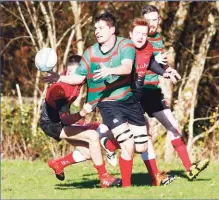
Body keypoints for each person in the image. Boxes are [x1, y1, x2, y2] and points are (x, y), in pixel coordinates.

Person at [44, 13, 149, 188]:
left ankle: (109, 143)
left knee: (141, 147)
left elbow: (127, 67)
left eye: (101, 28)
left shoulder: (125, 45)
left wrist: (109, 70)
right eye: (95, 28)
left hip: (129, 101)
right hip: (107, 103)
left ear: (112, 29)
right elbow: (78, 77)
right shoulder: (90, 52)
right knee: (127, 144)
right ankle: (127, 188)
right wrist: (59, 78)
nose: (97, 31)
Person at [100, 18, 178, 186]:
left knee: (142, 142)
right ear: (130, 34)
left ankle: (110, 144)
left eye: (144, 33)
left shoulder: (148, 47)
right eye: (138, 33)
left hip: (136, 100)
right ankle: (148, 179)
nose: (141, 37)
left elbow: (149, 62)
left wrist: (164, 73)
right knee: (130, 140)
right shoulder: (123, 49)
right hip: (120, 99)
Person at [140, 5, 209, 180]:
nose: (152, 24)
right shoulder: (135, 38)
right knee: (140, 134)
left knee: (173, 127)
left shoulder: (158, 39)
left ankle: (189, 169)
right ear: (142, 20)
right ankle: (109, 143)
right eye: (149, 20)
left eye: (155, 20)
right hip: (136, 92)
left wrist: (168, 70)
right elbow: (133, 63)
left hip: (153, 92)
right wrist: (153, 60)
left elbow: (160, 64)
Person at [40, 55, 121, 188]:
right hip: (51, 125)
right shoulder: (59, 89)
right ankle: (104, 178)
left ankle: (59, 164)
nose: (78, 77)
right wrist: (83, 112)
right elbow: (65, 119)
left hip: (61, 121)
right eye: (75, 74)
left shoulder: (78, 78)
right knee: (93, 136)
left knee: (88, 153)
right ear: (68, 72)